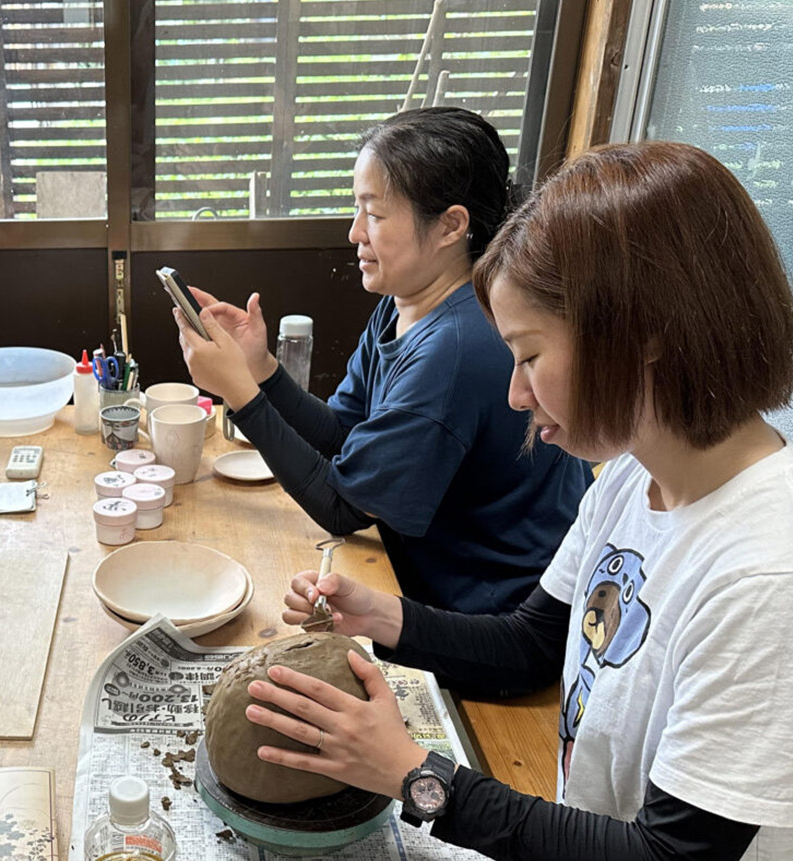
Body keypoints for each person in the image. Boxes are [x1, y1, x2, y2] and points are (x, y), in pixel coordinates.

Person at [252, 142, 793, 861]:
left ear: (643, 340)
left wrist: (420, 778)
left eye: (528, 357)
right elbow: (534, 644)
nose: (518, 394)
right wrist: (383, 618)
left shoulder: (775, 578)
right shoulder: (629, 475)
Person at [175, 107, 591, 617]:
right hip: (423, 575)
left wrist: (240, 392)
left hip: (481, 613)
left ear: (450, 226)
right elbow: (344, 433)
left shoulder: (456, 347)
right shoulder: (406, 302)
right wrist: (260, 369)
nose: (355, 232)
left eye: (373, 213)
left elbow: (344, 508)